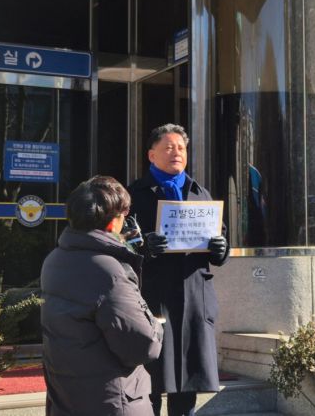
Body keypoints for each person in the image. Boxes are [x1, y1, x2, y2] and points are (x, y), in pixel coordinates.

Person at [40, 175, 163, 416]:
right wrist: (156, 325)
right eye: (123, 214)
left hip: (67, 396)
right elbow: (142, 346)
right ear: (112, 221)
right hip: (112, 400)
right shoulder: (108, 270)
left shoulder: (55, 259)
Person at [128, 124, 229, 416]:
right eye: (169, 147)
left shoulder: (200, 193)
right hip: (153, 297)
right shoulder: (134, 195)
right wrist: (143, 246)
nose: (177, 153)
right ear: (152, 154)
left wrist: (221, 249)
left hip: (194, 298)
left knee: (187, 382)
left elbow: (220, 242)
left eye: (181, 148)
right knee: (150, 379)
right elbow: (122, 244)